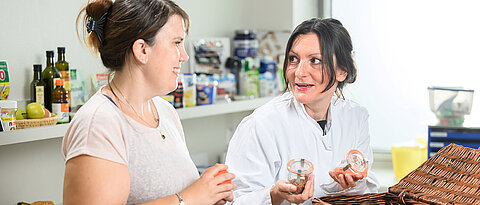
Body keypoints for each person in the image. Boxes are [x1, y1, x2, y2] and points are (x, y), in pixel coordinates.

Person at [62, 0, 235, 204]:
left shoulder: (164, 111)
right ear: (142, 50)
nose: (185, 56)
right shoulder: (99, 123)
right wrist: (190, 198)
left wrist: (209, 195)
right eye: (177, 43)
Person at [225, 18, 380, 205]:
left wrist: (349, 185)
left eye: (315, 61)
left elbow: (365, 191)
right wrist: (274, 195)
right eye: (293, 59)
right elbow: (234, 201)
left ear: (342, 72)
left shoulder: (355, 117)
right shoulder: (261, 124)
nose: (299, 72)